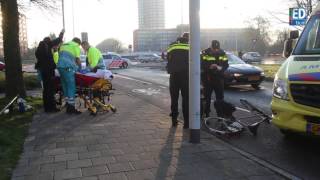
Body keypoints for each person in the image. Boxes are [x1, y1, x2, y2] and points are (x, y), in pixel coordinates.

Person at [35, 29, 65, 113]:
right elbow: (58, 40)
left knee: (45, 90)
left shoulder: (38, 50)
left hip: (43, 72)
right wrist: (62, 33)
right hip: (49, 71)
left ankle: (47, 108)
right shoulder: (47, 44)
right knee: (51, 90)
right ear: (48, 41)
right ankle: (52, 108)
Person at [166, 33, 190, 128]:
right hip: (185, 76)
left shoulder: (172, 46)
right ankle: (187, 123)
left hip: (174, 75)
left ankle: (174, 121)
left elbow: (168, 58)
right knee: (186, 99)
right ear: (187, 39)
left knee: (174, 99)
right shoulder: (190, 47)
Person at [201, 40, 229, 117]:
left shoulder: (222, 52)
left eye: (217, 48)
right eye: (214, 48)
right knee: (207, 98)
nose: (216, 50)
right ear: (211, 46)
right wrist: (209, 67)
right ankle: (206, 114)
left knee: (220, 98)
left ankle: (220, 115)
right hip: (208, 78)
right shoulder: (205, 53)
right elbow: (201, 65)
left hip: (219, 78)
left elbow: (226, 64)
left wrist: (221, 68)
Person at [57, 37, 82, 114]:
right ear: (78, 43)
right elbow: (77, 59)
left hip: (60, 67)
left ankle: (68, 105)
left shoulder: (63, 45)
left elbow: (61, 56)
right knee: (71, 86)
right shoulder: (76, 46)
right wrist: (80, 67)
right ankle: (71, 108)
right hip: (67, 67)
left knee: (65, 86)